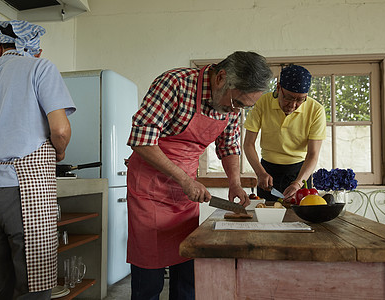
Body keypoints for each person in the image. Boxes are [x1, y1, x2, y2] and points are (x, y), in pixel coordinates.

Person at [126, 51, 272, 299]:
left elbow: (229, 146)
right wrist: (183, 179)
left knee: (187, 273)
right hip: (150, 190)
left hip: (185, 195)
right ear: (221, 78)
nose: (235, 110)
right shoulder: (175, 84)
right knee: (149, 280)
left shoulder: (232, 104)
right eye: (236, 103)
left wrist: (234, 184)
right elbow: (142, 140)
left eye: (245, 107)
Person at [0, 20, 76, 299]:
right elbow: (60, 129)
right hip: (25, 188)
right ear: (35, 49)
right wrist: (59, 152)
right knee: (32, 277)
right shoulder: (40, 67)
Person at [243, 64, 326, 203]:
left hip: (300, 173)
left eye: (300, 100)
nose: (293, 105)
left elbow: (313, 154)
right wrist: (260, 172)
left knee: (300, 220)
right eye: (289, 97)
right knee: (267, 219)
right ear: (278, 88)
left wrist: (298, 183)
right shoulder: (262, 103)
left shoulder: (316, 110)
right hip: (267, 172)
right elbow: (248, 144)